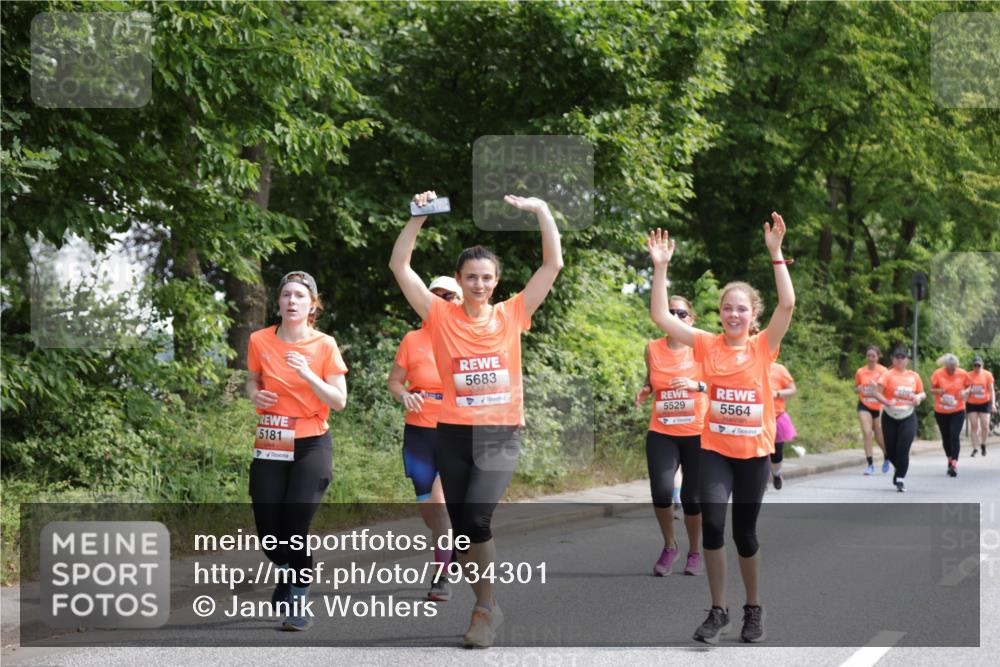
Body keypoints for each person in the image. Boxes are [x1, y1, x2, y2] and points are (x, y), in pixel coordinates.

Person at [389, 190, 562, 648]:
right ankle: (487, 603)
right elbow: (400, 268)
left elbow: (551, 267)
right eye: (471, 278)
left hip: (499, 433)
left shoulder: (512, 314)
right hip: (451, 433)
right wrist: (418, 218)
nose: (479, 285)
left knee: (478, 519)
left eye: (486, 278)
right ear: (460, 281)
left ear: (496, 281)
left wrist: (542, 212)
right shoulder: (439, 315)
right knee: (464, 527)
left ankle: (483, 611)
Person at [646, 211, 795, 645]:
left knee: (744, 535)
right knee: (712, 526)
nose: (733, 314)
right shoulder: (707, 343)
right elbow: (660, 316)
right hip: (714, 451)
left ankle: (753, 608)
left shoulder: (763, 345)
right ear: (720, 313)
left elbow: (787, 304)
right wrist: (660, 268)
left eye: (741, 309)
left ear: (753, 315)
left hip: (752, 454)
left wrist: (776, 254)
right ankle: (718, 611)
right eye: (727, 308)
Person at [246, 271, 348, 631]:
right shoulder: (259, 340)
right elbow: (252, 379)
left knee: (296, 524)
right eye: (287, 295)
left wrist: (308, 374)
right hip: (273, 441)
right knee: (271, 536)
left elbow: (339, 401)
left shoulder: (324, 345)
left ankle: (298, 599)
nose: (292, 301)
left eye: (300, 296)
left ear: (312, 305)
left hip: (311, 443)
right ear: (278, 302)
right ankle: (286, 570)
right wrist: (255, 394)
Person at [387, 276, 461, 602]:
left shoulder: (468, 339)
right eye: (438, 296)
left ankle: (441, 575)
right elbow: (394, 382)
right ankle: (450, 546)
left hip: (454, 431)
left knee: (440, 503)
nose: (445, 301)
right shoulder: (412, 339)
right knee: (429, 514)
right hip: (417, 432)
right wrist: (404, 395)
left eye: (451, 296)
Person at [634, 295, 706, 577]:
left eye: (682, 313)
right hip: (662, 431)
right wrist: (646, 390)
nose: (676, 317)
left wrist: (695, 385)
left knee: (692, 498)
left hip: (697, 432)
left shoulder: (702, 348)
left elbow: (719, 385)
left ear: (692, 318)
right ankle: (670, 545)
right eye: (670, 312)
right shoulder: (652, 348)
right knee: (662, 491)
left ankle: (695, 551)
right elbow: (652, 379)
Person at [872, 346, 926, 492]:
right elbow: (877, 393)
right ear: (893, 359)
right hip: (890, 415)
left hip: (908, 415)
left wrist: (918, 397)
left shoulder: (914, 376)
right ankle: (899, 468)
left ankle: (900, 478)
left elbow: (922, 393)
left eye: (903, 357)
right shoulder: (887, 375)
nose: (900, 360)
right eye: (897, 357)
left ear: (907, 359)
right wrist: (886, 401)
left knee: (903, 447)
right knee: (890, 450)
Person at [929, 353, 969, 477]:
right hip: (941, 411)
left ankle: (954, 464)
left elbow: (970, 387)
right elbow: (931, 390)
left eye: (954, 368)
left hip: (957, 409)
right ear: (945, 366)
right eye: (949, 369)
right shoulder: (938, 373)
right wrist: (939, 391)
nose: (952, 371)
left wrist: (965, 392)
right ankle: (949, 459)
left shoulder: (962, 374)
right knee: (946, 437)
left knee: (954, 435)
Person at [855, 346, 889, 475]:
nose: (871, 358)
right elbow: (857, 386)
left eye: (873, 356)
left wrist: (877, 387)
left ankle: (887, 455)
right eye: (869, 355)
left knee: (879, 436)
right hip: (864, 404)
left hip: (879, 405)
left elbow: (888, 389)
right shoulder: (860, 372)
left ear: (878, 357)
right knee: (867, 432)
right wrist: (858, 389)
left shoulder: (884, 371)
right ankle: (870, 464)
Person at [768, 362, 797, 490]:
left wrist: (777, 393)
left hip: (776, 416)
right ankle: (759, 480)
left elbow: (792, 389)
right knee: (757, 453)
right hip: (755, 418)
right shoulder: (750, 365)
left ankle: (776, 474)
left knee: (776, 453)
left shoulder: (779, 369)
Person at [966, 356, 996, 457]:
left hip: (985, 402)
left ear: (982, 365)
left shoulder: (987, 375)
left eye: (979, 365)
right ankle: (975, 448)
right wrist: (970, 391)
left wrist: (993, 403)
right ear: (973, 366)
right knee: (974, 425)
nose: (977, 367)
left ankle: (983, 443)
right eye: (975, 365)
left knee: (985, 425)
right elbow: (965, 389)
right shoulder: (968, 375)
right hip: (972, 403)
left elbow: (991, 390)